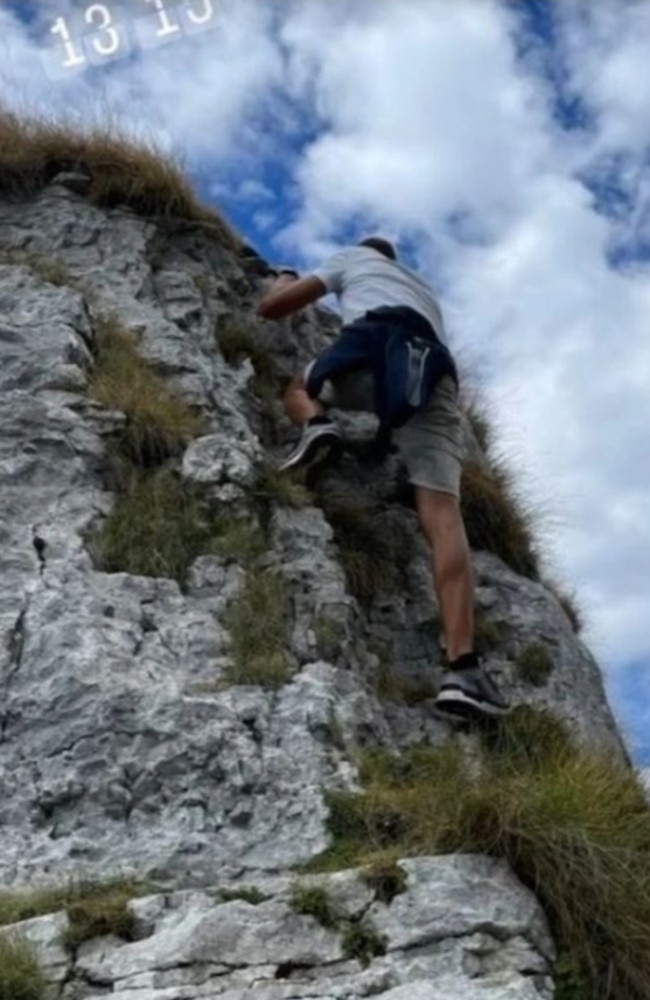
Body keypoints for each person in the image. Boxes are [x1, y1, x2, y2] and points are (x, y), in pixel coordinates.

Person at [256, 237, 509, 720]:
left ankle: (317, 424)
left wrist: (285, 278)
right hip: (431, 369)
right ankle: (463, 668)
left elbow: (274, 309)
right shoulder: (424, 289)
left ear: (364, 250)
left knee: (296, 387)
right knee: (441, 514)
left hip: (368, 348)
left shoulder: (353, 258)